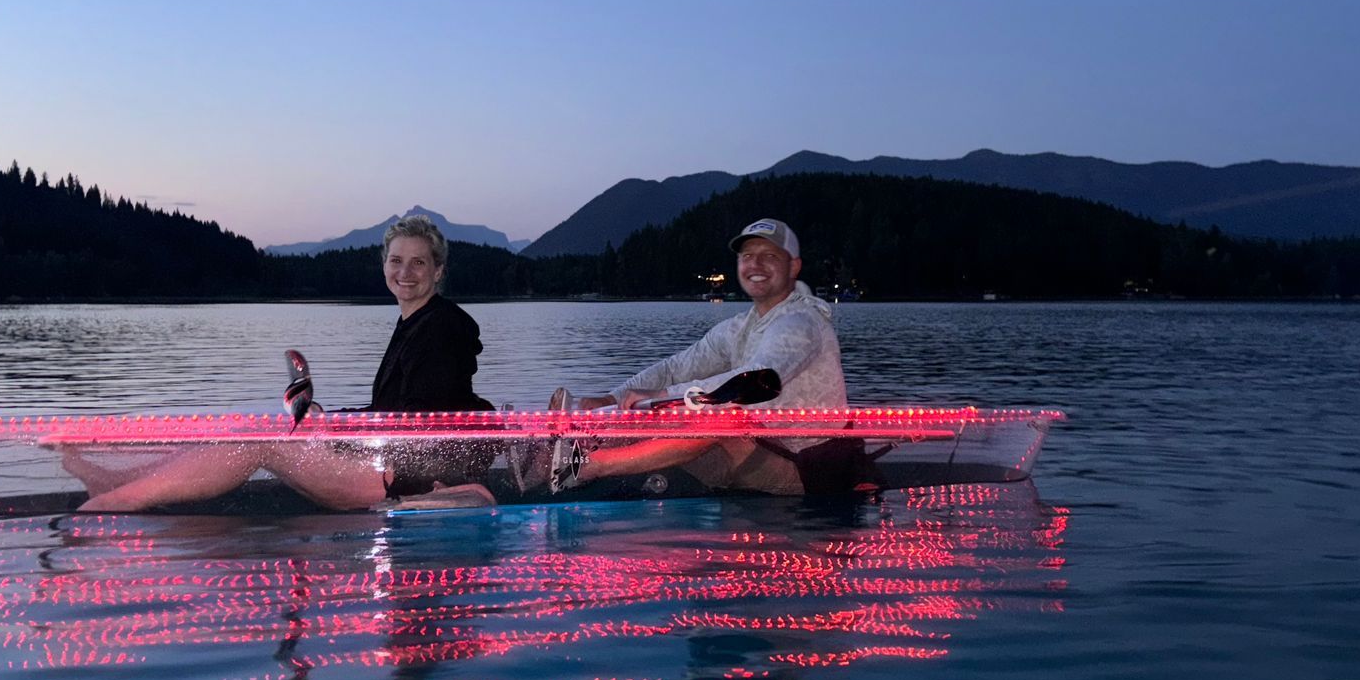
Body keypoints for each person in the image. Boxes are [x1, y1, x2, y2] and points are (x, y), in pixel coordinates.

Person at [76, 215, 496, 511]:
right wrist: (330, 420)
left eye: (418, 262)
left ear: (438, 271)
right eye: (396, 260)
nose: (405, 272)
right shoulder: (417, 323)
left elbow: (419, 423)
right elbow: (397, 410)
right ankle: (120, 478)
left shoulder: (444, 327)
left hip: (396, 481)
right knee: (261, 428)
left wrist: (337, 433)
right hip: (384, 464)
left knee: (262, 440)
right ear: (384, 266)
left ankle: (121, 499)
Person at [527, 217, 866, 496]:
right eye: (748, 257)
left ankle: (587, 467)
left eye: (770, 256)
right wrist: (613, 397)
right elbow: (676, 368)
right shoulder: (741, 327)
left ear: (794, 267)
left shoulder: (801, 323)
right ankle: (544, 466)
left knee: (717, 415)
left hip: (804, 468)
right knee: (658, 409)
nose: (756, 265)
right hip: (755, 449)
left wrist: (663, 398)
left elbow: (759, 378)